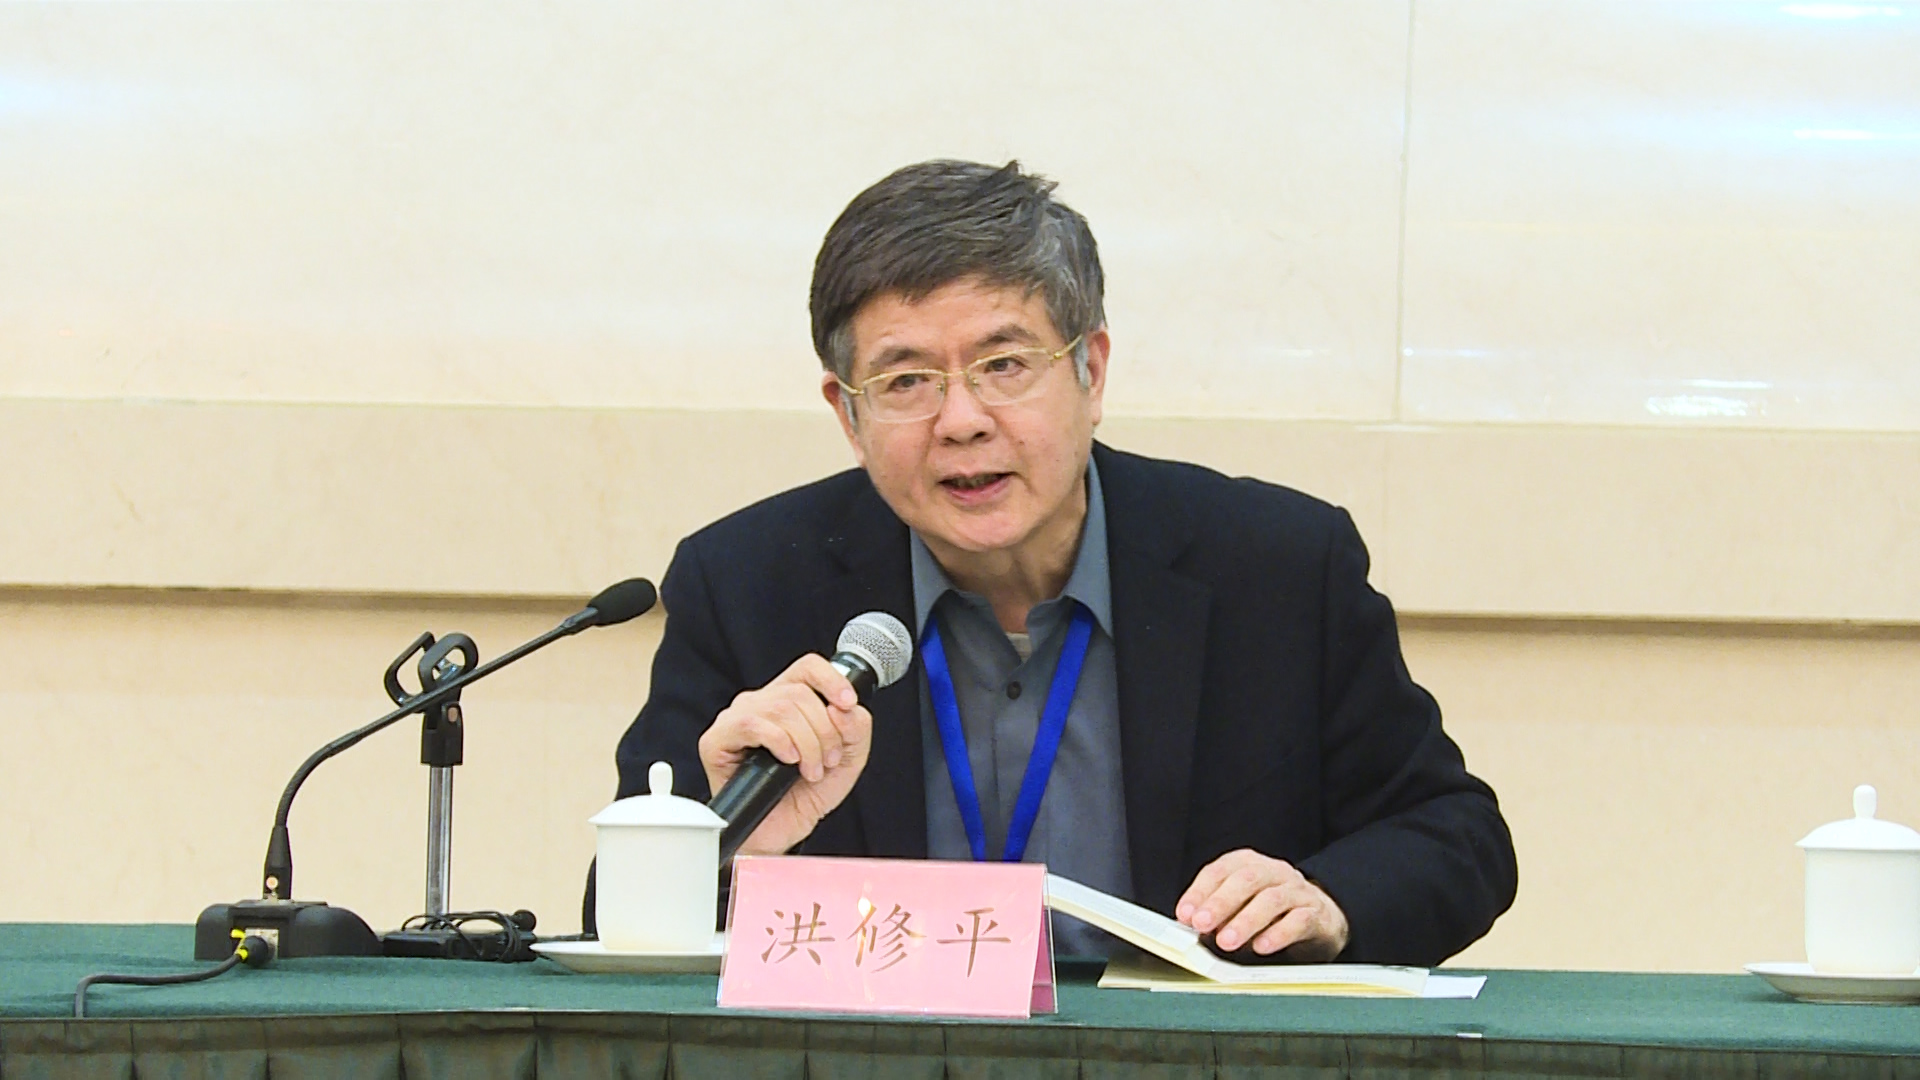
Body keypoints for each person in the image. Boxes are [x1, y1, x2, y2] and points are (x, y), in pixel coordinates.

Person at [602, 160, 1516, 964]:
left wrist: (1328, 901)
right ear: (848, 414)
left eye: (1005, 365)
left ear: (1092, 372)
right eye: (907, 381)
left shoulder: (1275, 568)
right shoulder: (748, 584)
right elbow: (609, 917)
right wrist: (726, 845)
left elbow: (1456, 836)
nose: (962, 421)